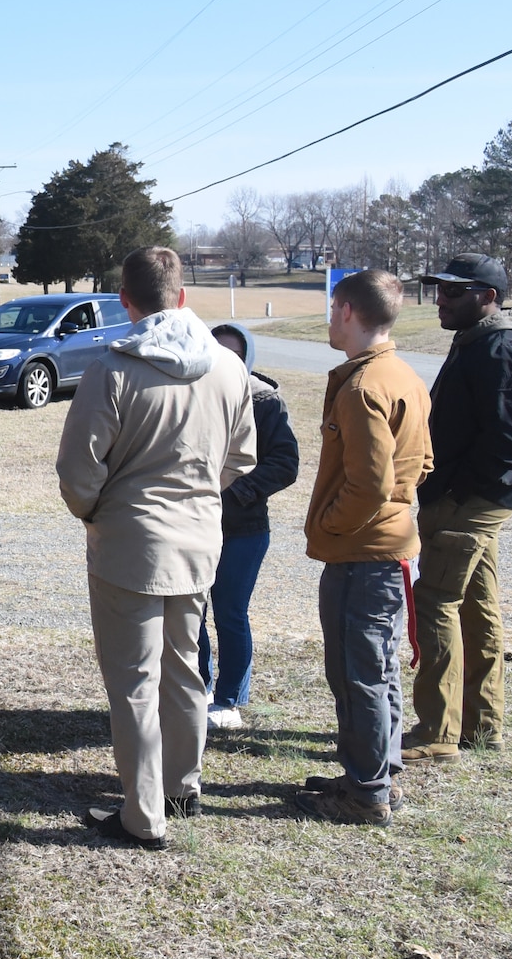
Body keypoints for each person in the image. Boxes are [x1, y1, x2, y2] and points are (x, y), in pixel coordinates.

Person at [57, 246, 255, 850]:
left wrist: (100, 513)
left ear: (125, 299)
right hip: (198, 542)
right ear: (183, 296)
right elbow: (241, 457)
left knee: (134, 681)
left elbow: (76, 470)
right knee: (185, 670)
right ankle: (181, 786)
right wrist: (195, 497)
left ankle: (143, 815)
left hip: (129, 545)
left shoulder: (113, 368)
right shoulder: (229, 368)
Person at [296, 270, 432, 827]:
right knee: (375, 669)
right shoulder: (403, 374)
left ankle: (366, 793)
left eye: (332, 310)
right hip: (386, 548)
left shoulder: (363, 387)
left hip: (366, 554)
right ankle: (376, 773)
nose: (330, 319)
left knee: (361, 673)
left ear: (348, 311)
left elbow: (372, 483)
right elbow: (421, 464)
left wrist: (331, 522)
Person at [403, 254, 512, 763]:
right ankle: (483, 726)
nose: (440, 300)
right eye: (438, 290)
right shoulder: (480, 341)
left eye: (453, 292)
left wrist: (460, 496)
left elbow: (510, 443)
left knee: (435, 601)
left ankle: (437, 733)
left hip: (470, 501)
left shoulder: (503, 349)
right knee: (474, 604)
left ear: (486, 296)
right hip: (468, 498)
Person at [199, 323, 300, 730]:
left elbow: (285, 464)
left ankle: (229, 699)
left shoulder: (265, 401)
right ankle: (199, 688)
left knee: (230, 612)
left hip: (244, 530)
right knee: (191, 612)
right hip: (195, 524)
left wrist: (239, 491)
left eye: (233, 354)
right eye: (216, 351)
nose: (224, 361)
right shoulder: (194, 392)